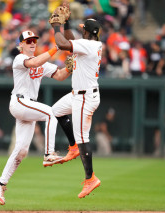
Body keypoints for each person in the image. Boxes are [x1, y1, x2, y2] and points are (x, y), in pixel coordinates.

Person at [0, 30, 72, 205]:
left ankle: (0, 183)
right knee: (51, 112)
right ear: (21, 45)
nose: (32, 43)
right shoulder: (19, 59)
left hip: (28, 107)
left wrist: (71, 67)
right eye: (28, 41)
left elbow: (59, 76)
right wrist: (55, 49)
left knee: (21, 151)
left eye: (33, 40)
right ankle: (49, 153)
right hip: (19, 102)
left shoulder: (43, 62)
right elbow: (34, 62)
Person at [50, 17, 102, 198]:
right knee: (55, 111)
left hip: (85, 97)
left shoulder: (89, 46)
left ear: (88, 32)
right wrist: (67, 21)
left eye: (83, 29)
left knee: (83, 137)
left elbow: (63, 43)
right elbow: (71, 38)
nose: (81, 31)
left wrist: (56, 26)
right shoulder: (89, 43)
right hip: (78, 94)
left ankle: (91, 178)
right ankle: (73, 147)